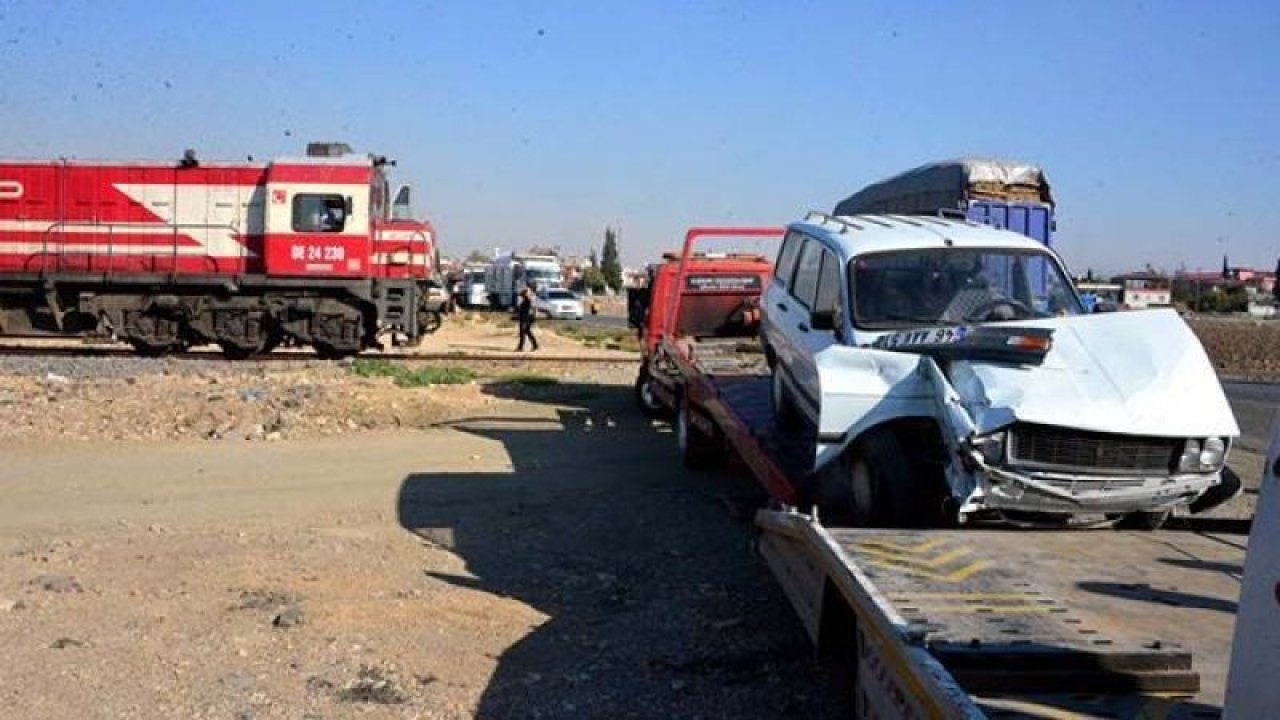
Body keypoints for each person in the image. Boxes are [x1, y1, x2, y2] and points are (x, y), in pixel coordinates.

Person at [515, 286, 539, 352]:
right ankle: (535, 345)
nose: (521, 295)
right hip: (527, 318)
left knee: (522, 333)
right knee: (527, 332)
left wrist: (524, 322)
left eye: (522, 294)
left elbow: (526, 312)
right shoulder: (526, 300)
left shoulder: (527, 300)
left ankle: (520, 348)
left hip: (525, 319)